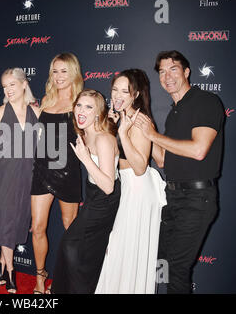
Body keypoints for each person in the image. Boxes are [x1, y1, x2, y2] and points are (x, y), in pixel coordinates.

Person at [135, 51, 224, 294]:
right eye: (162, 72)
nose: (167, 76)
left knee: (177, 268)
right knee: (159, 256)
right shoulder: (175, 111)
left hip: (197, 199)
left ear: (186, 72)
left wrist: (154, 135)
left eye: (173, 69)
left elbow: (198, 150)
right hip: (172, 198)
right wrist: (142, 132)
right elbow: (163, 161)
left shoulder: (205, 101)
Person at [95, 69, 166, 294]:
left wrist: (123, 134)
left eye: (124, 91)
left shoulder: (139, 121)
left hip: (137, 191)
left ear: (135, 94)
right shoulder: (121, 117)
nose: (117, 95)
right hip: (124, 189)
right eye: (115, 89)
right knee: (119, 249)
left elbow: (139, 167)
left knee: (126, 250)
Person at [0, 68, 40, 294]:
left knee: (15, 223)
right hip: (2, 177)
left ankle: (2, 264)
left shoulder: (37, 112)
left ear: (24, 84)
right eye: (4, 86)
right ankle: (10, 270)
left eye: (12, 84)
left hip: (26, 178)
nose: (8, 90)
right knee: (6, 222)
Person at [51, 89, 121, 294]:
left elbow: (108, 187)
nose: (81, 111)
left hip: (104, 201)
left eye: (88, 107)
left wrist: (86, 159)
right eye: (79, 105)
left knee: (73, 246)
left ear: (98, 113)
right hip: (93, 196)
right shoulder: (85, 133)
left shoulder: (103, 139)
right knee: (77, 249)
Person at [30, 53, 83, 294]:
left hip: (68, 172)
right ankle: (40, 277)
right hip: (41, 170)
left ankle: (68, 279)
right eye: (55, 71)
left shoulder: (82, 103)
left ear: (73, 73)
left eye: (64, 71)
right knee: (38, 227)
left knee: (70, 229)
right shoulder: (45, 101)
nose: (59, 76)